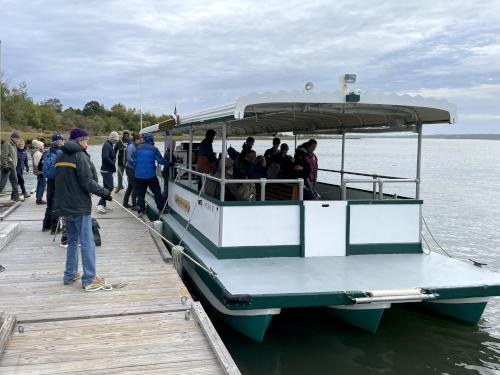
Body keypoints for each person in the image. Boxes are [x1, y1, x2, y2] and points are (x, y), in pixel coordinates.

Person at [54, 128, 112, 291]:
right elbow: (88, 183)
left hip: (65, 206)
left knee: (72, 240)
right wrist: (105, 193)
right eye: (86, 140)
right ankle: (89, 278)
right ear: (79, 140)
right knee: (87, 241)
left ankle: (70, 274)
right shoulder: (80, 155)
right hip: (79, 206)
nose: (87, 143)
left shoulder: (60, 155)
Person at [134, 132, 167, 216]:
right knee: (157, 192)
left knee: (141, 194)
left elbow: (134, 162)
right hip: (150, 175)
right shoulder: (154, 149)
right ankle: (160, 208)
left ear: (144, 139)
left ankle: (141, 210)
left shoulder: (138, 148)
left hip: (139, 176)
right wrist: (169, 163)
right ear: (152, 139)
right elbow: (160, 161)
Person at [42, 134, 65, 233]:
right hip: (58, 180)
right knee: (57, 204)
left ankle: (46, 225)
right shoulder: (61, 152)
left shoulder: (47, 152)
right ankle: (55, 228)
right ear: (60, 141)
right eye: (63, 140)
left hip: (49, 180)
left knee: (49, 204)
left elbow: (40, 166)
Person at [97, 131, 119, 213]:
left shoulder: (109, 145)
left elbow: (109, 156)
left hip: (106, 170)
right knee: (110, 188)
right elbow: (105, 157)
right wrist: (113, 164)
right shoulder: (107, 145)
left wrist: (113, 159)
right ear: (112, 139)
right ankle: (100, 204)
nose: (116, 142)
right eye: (116, 140)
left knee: (106, 188)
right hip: (106, 170)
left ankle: (104, 205)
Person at [0, 131, 21, 201]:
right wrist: (5, 165)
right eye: (17, 138)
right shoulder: (7, 144)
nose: (18, 140)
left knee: (15, 182)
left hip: (12, 167)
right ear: (13, 138)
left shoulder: (14, 145)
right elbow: (3, 156)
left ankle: (15, 197)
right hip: (7, 167)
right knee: (2, 184)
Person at [123, 133, 141, 209]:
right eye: (139, 140)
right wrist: (137, 162)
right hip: (130, 169)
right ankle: (134, 205)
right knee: (135, 187)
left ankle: (125, 202)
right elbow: (128, 158)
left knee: (130, 187)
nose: (140, 142)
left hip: (132, 168)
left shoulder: (135, 146)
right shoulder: (131, 147)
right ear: (136, 140)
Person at [31, 140, 46, 204]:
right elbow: (38, 164)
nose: (43, 147)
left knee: (41, 184)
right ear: (40, 146)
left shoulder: (39, 153)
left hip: (40, 172)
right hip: (40, 172)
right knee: (41, 185)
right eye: (42, 146)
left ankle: (39, 198)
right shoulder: (37, 153)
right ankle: (39, 199)